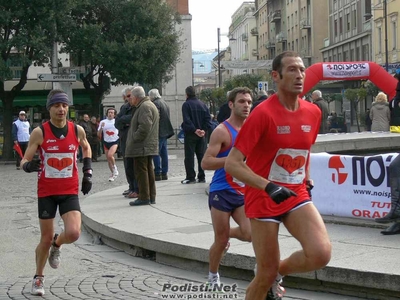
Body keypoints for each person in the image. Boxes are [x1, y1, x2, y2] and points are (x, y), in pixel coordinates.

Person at [225, 51, 332, 300]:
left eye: (302, 69)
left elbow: (305, 149)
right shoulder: (262, 114)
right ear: (276, 76)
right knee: (263, 277)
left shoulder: (313, 112)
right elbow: (233, 163)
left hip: (296, 194)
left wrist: (305, 175)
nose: (299, 75)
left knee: (320, 253)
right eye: (292, 70)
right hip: (263, 198)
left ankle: (277, 272)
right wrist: (268, 186)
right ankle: (268, 274)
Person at [20, 89, 92, 296]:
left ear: (68, 108)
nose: (61, 109)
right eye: (56, 106)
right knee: (45, 237)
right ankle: (38, 278)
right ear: (49, 108)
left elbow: (86, 148)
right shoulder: (39, 132)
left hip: (69, 190)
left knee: (74, 233)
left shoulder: (77, 130)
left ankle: (57, 245)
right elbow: (24, 159)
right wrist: (27, 166)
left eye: (64, 105)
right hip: (47, 192)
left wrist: (88, 172)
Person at [201, 87, 253, 285]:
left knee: (249, 234)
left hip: (242, 191)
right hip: (221, 191)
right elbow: (206, 163)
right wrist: (232, 162)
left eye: (249, 102)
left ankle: (223, 232)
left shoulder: (251, 129)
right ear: (231, 104)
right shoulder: (221, 131)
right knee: (221, 242)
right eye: (241, 101)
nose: (246, 105)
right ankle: (213, 275)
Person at [125, 86, 159, 206]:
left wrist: (134, 138)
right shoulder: (147, 105)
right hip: (146, 145)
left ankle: (144, 196)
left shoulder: (144, 106)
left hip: (142, 146)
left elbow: (144, 127)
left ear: (136, 97)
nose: (131, 100)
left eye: (131, 97)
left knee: (141, 171)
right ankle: (150, 196)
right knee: (147, 170)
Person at [181, 86, 212, 184]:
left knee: (189, 156)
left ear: (187, 94)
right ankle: (201, 176)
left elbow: (187, 120)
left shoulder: (186, 105)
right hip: (202, 135)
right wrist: (203, 130)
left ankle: (190, 177)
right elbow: (208, 119)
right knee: (201, 155)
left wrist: (195, 130)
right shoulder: (203, 105)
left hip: (190, 134)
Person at [115, 87, 139, 199]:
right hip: (124, 139)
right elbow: (117, 122)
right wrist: (125, 122)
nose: (129, 98)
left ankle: (136, 188)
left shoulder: (138, 107)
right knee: (127, 166)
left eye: (131, 96)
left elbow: (135, 120)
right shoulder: (124, 107)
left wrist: (124, 121)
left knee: (135, 166)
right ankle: (131, 187)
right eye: (127, 96)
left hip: (134, 140)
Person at [149, 88, 175, 181]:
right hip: (165, 131)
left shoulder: (156, 104)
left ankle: (158, 172)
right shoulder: (164, 102)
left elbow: (156, 118)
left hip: (159, 131)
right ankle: (164, 172)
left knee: (156, 152)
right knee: (164, 153)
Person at [98, 108, 119, 182]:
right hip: (106, 141)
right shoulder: (103, 122)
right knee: (108, 160)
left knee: (110, 155)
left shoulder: (116, 121)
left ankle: (115, 169)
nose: (110, 114)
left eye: (112, 113)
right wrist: (102, 127)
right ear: (107, 114)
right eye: (109, 112)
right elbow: (98, 133)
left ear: (114, 114)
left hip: (114, 141)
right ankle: (113, 174)